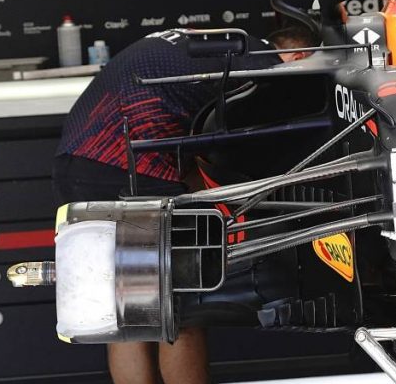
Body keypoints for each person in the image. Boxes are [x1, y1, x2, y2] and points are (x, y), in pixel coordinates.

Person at [53, 24, 315, 384]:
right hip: (126, 165)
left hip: (78, 161)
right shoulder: (261, 65)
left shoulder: (222, 42)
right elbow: (246, 154)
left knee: (127, 314)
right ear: (298, 56)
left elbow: (192, 147)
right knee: (180, 310)